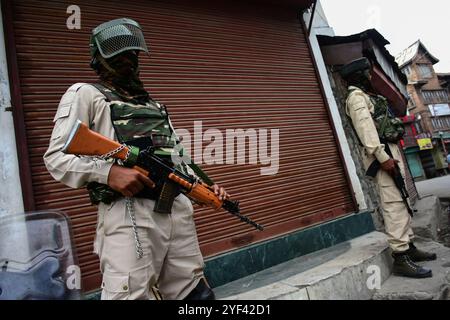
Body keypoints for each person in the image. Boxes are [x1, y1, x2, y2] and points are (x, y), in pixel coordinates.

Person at [44, 18, 229, 300]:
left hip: (175, 210)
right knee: (130, 294)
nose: (127, 63)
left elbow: (176, 159)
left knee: (194, 292)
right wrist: (108, 174)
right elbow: (56, 157)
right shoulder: (86, 94)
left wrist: (203, 188)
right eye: (118, 57)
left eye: (132, 56)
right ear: (98, 60)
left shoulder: (153, 106)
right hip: (129, 212)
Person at [340, 57, 437, 279]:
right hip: (381, 156)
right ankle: (401, 257)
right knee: (393, 203)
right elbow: (366, 131)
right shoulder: (356, 98)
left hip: (389, 152)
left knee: (402, 200)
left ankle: (408, 246)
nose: (369, 77)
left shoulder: (367, 96)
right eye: (366, 74)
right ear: (357, 76)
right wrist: (383, 157)